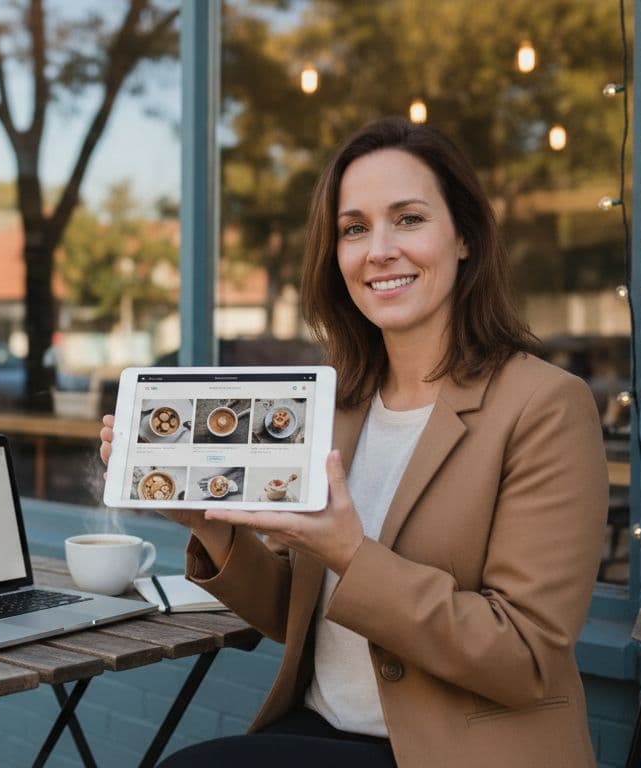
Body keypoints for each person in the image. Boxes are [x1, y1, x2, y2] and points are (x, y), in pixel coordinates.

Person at [99, 117, 607, 767]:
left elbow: (523, 655)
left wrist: (350, 552)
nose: (379, 250)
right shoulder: (336, 404)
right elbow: (299, 613)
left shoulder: (544, 406)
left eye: (410, 219)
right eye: (355, 228)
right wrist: (211, 526)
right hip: (322, 730)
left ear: (465, 240)